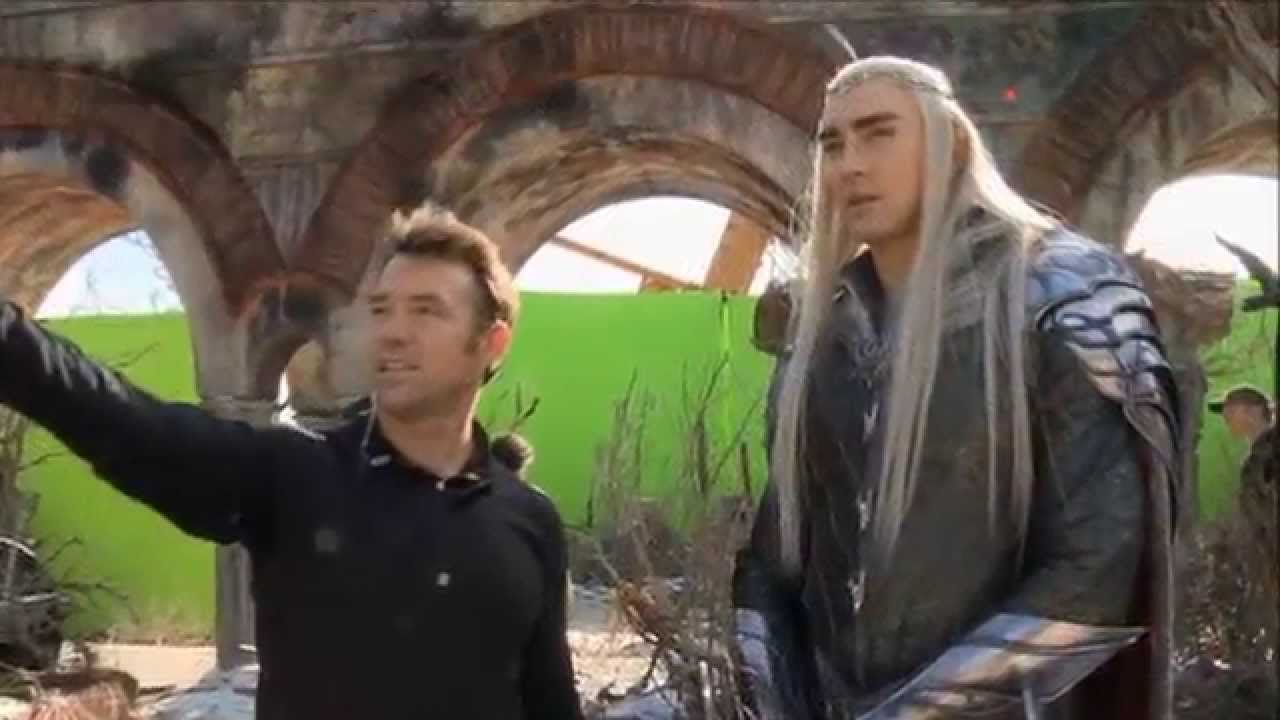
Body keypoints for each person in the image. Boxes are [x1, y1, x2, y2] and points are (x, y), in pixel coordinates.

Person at [0, 205, 583, 720]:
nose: (393, 333)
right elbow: (133, 426)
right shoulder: (297, 476)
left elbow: (550, 700)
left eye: (426, 311)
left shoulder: (528, 520)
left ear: (491, 343)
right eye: (382, 310)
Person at [732, 56, 1180, 719]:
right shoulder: (822, 331)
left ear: (952, 145)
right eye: (833, 143)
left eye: (879, 133)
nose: (850, 164)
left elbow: (1099, 565)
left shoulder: (1060, 295)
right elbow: (775, 561)